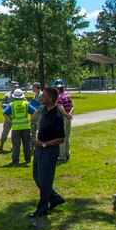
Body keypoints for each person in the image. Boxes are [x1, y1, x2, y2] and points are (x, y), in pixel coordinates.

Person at [30, 86, 66, 217]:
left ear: (51, 99)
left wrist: (44, 144)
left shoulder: (57, 115)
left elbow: (61, 139)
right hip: (39, 148)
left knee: (45, 182)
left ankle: (41, 210)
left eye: (44, 96)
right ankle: (55, 198)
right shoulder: (45, 110)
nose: (41, 98)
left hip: (49, 151)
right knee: (36, 176)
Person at [3, 88, 36, 165]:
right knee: (26, 144)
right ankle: (28, 159)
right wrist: (31, 119)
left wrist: (10, 121)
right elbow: (35, 111)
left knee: (16, 145)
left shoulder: (12, 105)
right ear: (22, 96)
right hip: (26, 127)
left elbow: (4, 113)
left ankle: (15, 160)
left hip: (15, 127)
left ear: (14, 96)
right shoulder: (26, 104)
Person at [55, 80, 75, 162]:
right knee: (67, 137)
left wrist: (66, 114)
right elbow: (73, 106)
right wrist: (69, 114)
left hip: (62, 118)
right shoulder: (67, 95)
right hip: (68, 118)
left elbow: (61, 108)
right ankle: (67, 153)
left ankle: (61, 156)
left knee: (61, 138)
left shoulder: (59, 97)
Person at [0, 82, 19, 152]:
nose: (16, 88)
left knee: (16, 133)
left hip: (17, 117)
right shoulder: (7, 95)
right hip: (8, 117)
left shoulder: (20, 95)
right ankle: (1, 146)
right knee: (5, 131)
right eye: (14, 86)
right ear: (11, 87)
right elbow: (2, 104)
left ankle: (14, 147)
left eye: (17, 87)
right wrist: (10, 105)